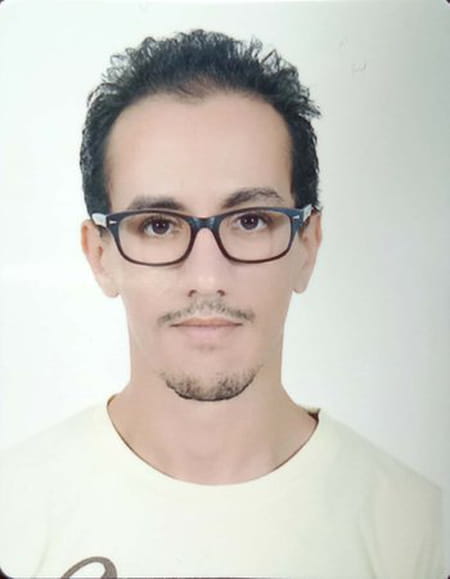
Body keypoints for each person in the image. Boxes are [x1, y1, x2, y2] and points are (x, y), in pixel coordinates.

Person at [0, 29, 444, 579]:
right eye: (158, 225)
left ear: (307, 246)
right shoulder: (12, 515)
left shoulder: (421, 536)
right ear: (100, 256)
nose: (207, 277)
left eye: (250, 220)